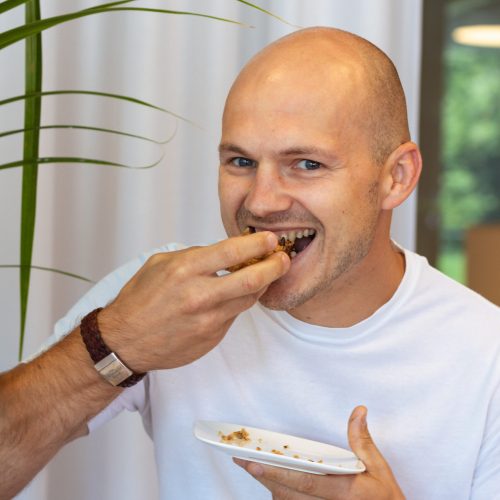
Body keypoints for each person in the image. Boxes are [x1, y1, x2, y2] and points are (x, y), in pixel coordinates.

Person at [1, 26, 499, 500]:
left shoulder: (486, 357)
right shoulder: (163, 291)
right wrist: (118, 342)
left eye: (306, 164)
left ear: (397, 176)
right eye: (240, 162)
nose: (260, 203)